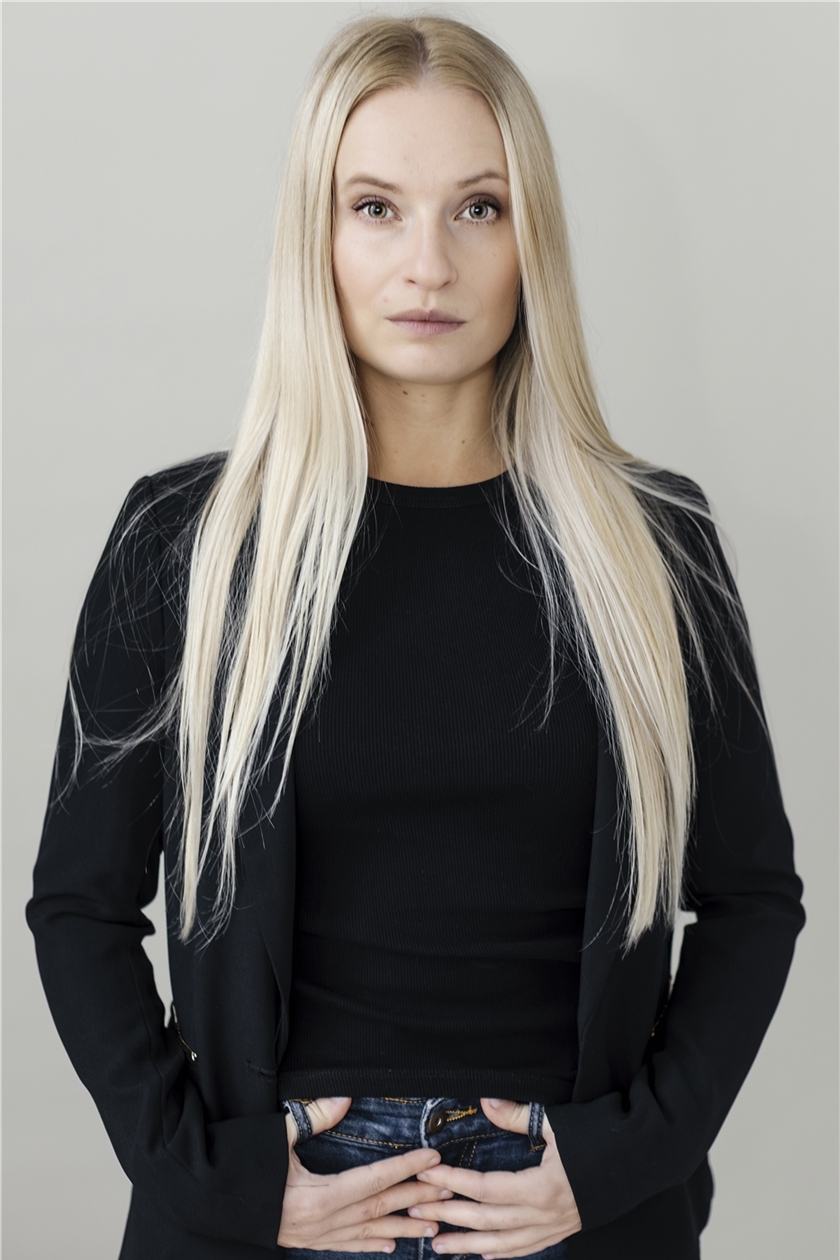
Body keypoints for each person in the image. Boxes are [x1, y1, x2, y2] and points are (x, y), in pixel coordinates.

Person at [26, 14, 805, 1260]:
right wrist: (214, 1177)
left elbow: (752, 897)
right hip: (272, 1215)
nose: (427, 265)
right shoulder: (187, 541)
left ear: (532, 238)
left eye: (478, 208)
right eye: (377, 208)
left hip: (569, 1217)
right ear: (317, 235)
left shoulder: (653, 544)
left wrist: (620, 1159)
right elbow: (80, 904)